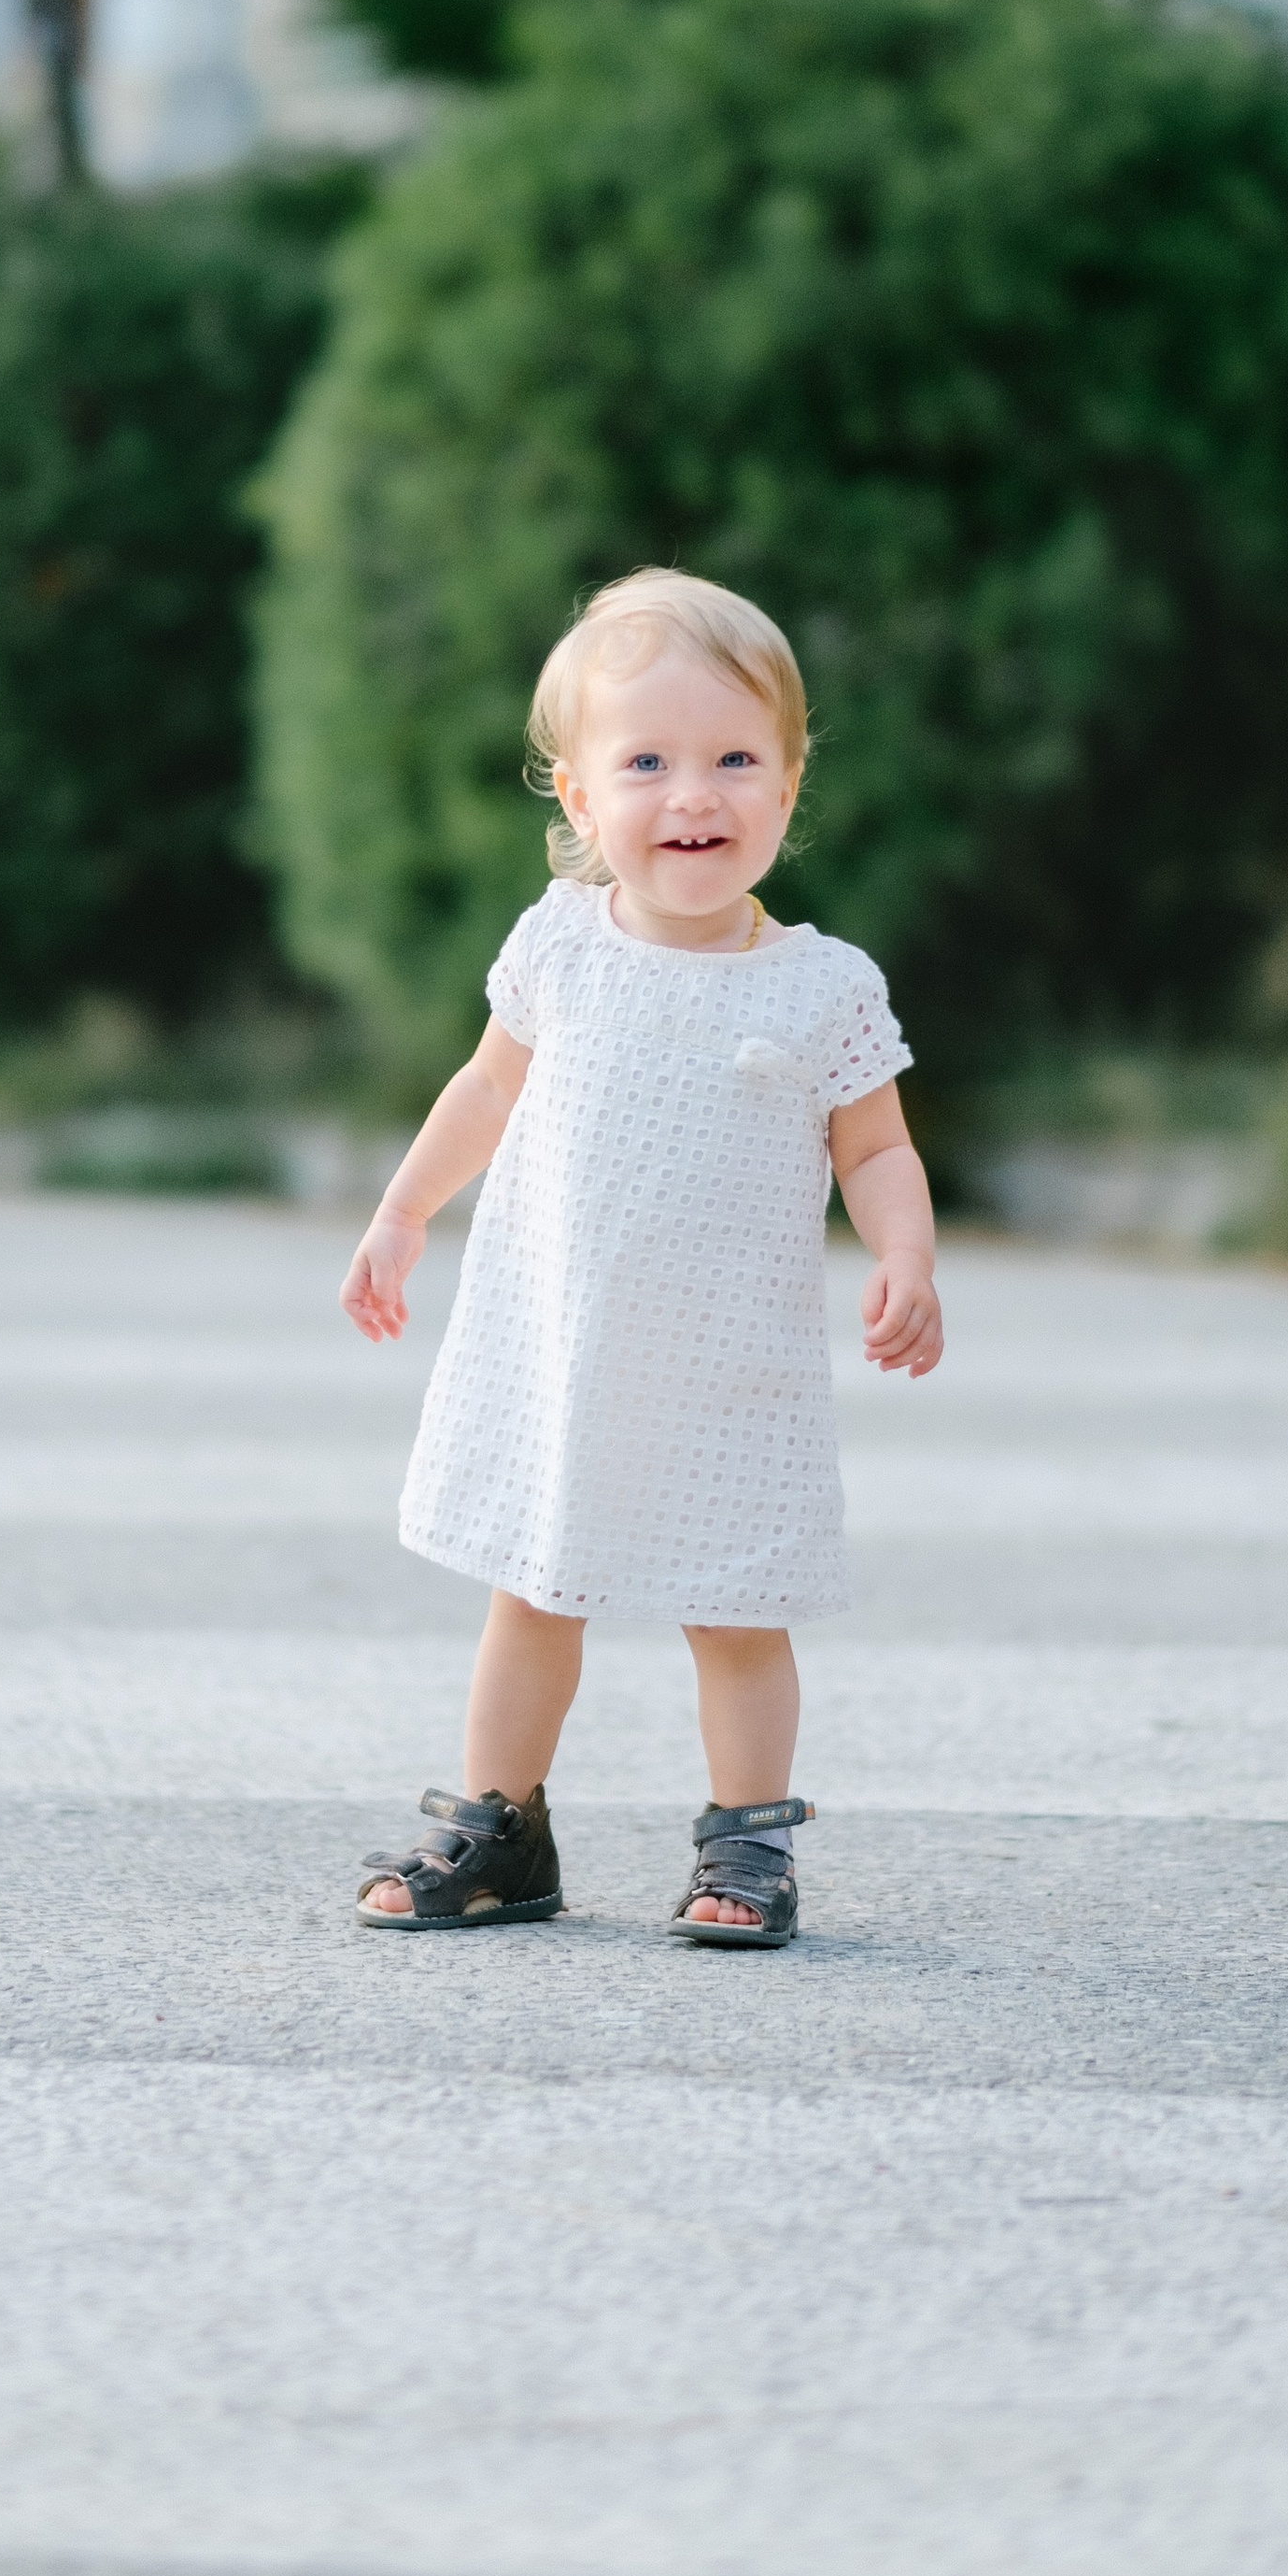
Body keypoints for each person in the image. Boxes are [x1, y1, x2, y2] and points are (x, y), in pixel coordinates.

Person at [341, 568, 942, 1948]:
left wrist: (906, 1254)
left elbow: (879, 1148)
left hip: (730, 1373)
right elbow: (485, 1091)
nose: (697, 796)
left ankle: (747, 1845)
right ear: (579, 797)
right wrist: (403, 1207)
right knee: (533, 1591)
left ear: (790, 788)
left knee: (735, 1609)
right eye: (650, 762)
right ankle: (501, 1826)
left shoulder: (822, 985)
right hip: (562, 1353)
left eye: (738, 759)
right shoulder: (561, 946)